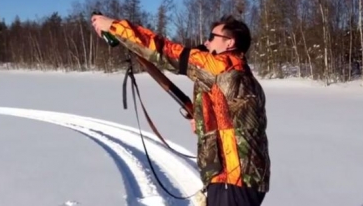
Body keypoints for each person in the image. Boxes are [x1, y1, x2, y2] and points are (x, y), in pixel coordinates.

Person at [91, 14, 270, 206]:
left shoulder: (221, 66)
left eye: (212, 37)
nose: (205, 42)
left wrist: (113, 26)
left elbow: (164, 50)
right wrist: (202, 121)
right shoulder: (243, 74)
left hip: (232, 177)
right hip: (245, 178)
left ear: (229, 43)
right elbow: (232, 120)